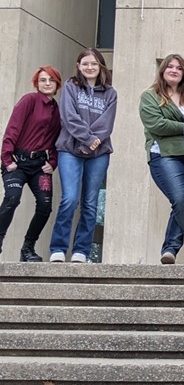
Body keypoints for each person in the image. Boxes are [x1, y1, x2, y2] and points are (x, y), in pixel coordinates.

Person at [49, 49, 117, 263]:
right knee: (69, 199)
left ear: (101, 67)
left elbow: (107, 122)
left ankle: (81, 250)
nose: (90, 67)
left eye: (94, 64)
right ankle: (58, 248)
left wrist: (92, 142)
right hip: (70, 149)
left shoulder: (110, 93)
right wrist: (87, 139)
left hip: (99, 154)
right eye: (85, 64)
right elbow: (69, 117)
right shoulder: (70, 87)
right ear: (78, 66)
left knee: (90, 202)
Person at [139, 54, 184, 264]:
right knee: (182, 199)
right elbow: (157, 126)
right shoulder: (150, 96)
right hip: (163, 155)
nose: (174, 70)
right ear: (162, 70)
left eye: (179, 68)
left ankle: (170, 249)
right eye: (170, 67)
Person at [0, 67, 62, 262]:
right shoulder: (29, 100)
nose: (47, 83)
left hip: (40, 166)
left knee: (45, 206)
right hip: (18, 162)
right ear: (37, 83)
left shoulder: (56, 109)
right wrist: (6, 159)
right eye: (42, 80)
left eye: (51, 80)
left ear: (57, 84)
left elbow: (55, 140)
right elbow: (12, 128)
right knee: (12, 198)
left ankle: (28, 248)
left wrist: (52, 162)